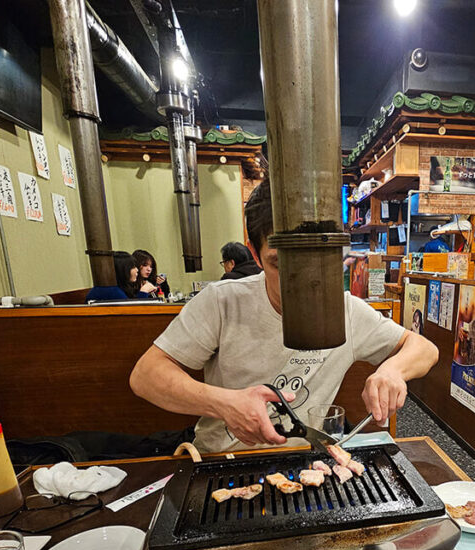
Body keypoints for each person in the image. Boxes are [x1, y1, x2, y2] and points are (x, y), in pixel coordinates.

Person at [130, 179, 439, 453]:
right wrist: (224, 403)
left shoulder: (345, 310)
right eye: (281, 264)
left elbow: (425, 349)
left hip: (307, 462)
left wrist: (393, 370)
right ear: (254, 255)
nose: (302, 280)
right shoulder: (222, 302)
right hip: (223, 458)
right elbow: (146, 376)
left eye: (315, 260)